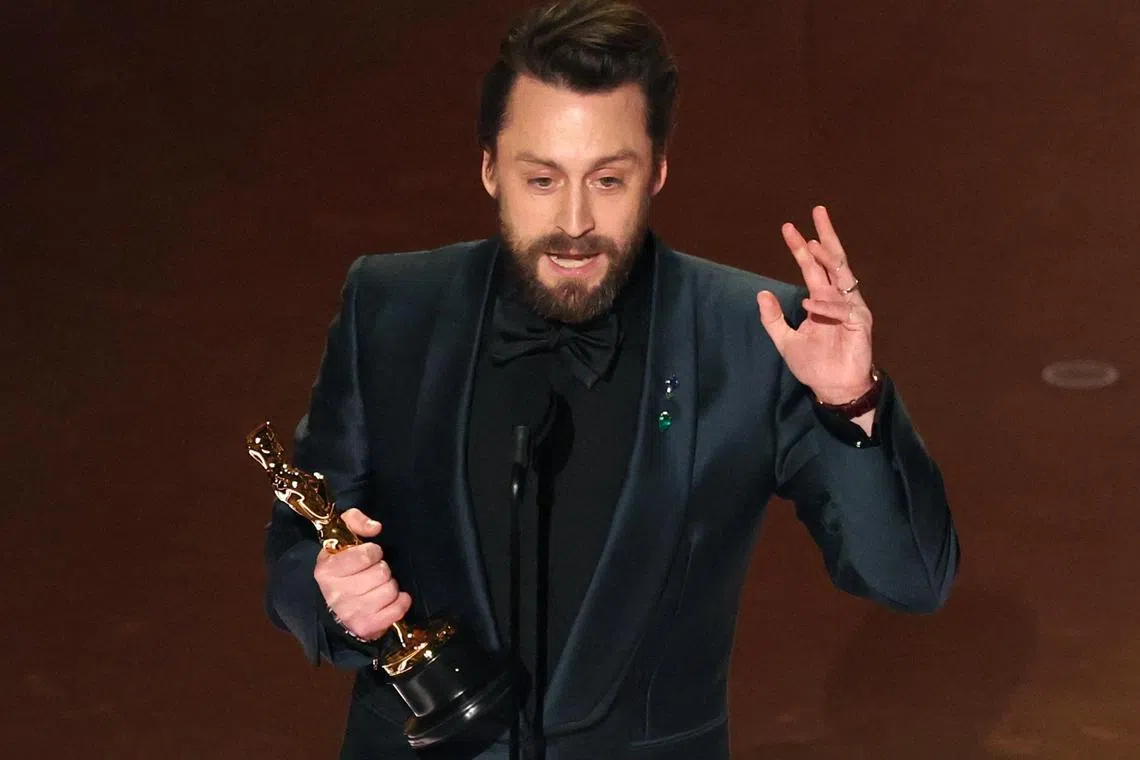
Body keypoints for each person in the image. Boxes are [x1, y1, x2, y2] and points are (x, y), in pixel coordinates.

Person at [262, 1, 959, 758]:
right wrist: (333, 598)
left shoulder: (758, 335)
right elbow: (299, 551)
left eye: (608, 179)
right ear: (490, 167)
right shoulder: (390, 308)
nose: (573, 221)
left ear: (657, 170)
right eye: (541, 178)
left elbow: (911, 579)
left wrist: (849, 404)